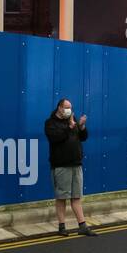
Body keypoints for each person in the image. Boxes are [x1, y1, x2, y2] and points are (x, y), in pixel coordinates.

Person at [45, 97, 96, 236]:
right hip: (61, 166)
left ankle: (82, 226)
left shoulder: (71, 121)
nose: (69, 110)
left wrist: (82, 126)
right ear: (59, 108)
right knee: (61, 197)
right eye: (67, 107)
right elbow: (55, 138)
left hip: (76, 165)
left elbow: (83, 137)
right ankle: (62, 227)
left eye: (70, 108)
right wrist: (70, 127)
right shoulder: (50, 123)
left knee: (76, 197)